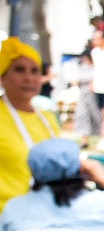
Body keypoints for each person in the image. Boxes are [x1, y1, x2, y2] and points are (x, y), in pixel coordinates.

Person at [1, 38, 66, 214]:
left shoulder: (47, 117)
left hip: (45, 213)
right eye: (19, 70)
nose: (28, 78)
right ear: (3, 76)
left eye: (35, 71)